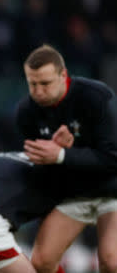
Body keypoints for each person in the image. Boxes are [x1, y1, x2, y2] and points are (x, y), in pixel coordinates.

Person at [16, 44, 117, 273]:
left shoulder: (96, 97)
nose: (38, 91)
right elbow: (38, 170)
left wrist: (62, 154)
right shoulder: (26, 113)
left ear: (63, 76)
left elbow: (113, 158)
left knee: (112, 262)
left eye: (45, 83)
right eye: (32, 84)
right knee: (41, 262)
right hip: (73, 194)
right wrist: (53, 157)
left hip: (112, 191)